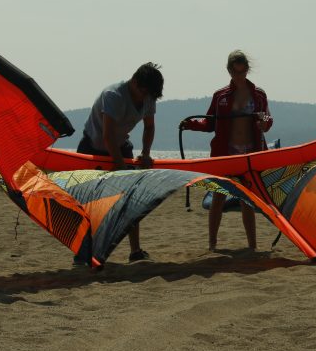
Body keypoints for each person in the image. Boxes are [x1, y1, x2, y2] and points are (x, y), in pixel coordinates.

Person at [74, 62, 164, 265]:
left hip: (121, 146)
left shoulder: (148, 96)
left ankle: (135, 251)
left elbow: (149, 127)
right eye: (144, 93)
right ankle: (83, 253)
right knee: (89, 203)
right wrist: (119, 166)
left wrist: (146, 153)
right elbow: (107, 136)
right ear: (135, 83)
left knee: (131, 198)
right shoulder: (113, 95)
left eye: (150, 95)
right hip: (93, 148)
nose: (145, 98)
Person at [183, 50, 273, 252]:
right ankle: (212, 245)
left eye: (242, 72)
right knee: (218, 197)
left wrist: (263, 124)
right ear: (229, 71)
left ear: (247, 70)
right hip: (225, 154)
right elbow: (209, 124)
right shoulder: (220, 95)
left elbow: (268, 121)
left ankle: (252, 246)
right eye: (235, 72)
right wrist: (190, 125)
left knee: (247, 201)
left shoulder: (259, 95)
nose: (239, 76)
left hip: (250, 154)